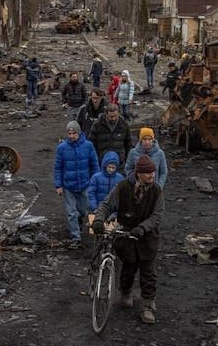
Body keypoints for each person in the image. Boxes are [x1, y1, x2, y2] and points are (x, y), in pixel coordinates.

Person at [91, 154, 164, 324]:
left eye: (153, 172)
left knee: (148, 273)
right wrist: (99, 220)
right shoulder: (123, 187)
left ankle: (147, 305)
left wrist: (143, 227)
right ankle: (126, 291)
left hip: (147, 237)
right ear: (138, 173)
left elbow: (158, 215)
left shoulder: (156, 190)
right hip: (127, 236)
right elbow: (107, 204)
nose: (152, 176)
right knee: (128, 268)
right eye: (148, 173)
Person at [53, 121, 100, 248]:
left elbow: (94, 164)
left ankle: (79, 219)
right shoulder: (62, 148)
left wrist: (95, 181)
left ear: (79, 133)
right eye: (69, 133)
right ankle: (76, 237)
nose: (71, 136)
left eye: (74, 133)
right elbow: (58, 167)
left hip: (85, 184)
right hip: (68, 185)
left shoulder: (88, 146)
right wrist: (58, 185)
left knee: (84, 210)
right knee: (71, 212)